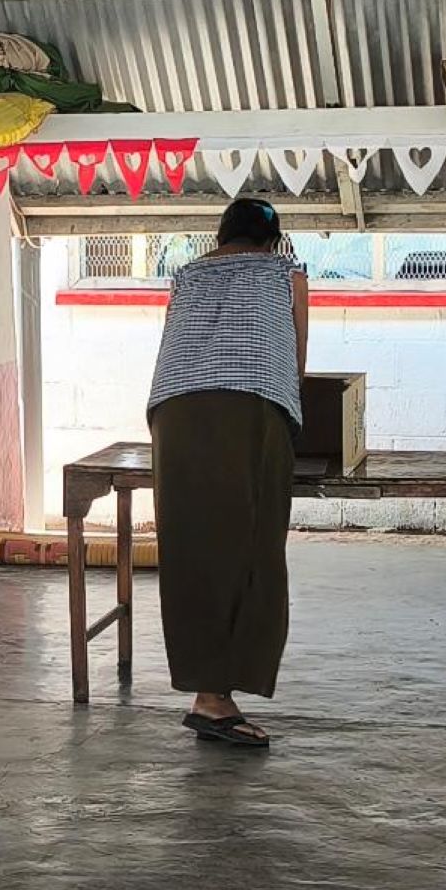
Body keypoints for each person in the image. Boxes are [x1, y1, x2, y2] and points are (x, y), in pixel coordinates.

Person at [146, 199, 308, 747]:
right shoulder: (286, 273)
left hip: (174, 408)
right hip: (250, 403)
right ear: (272, 241)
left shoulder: (186, 275)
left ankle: (208, 694)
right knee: (253, 548)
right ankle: (215, 699)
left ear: (220, 236)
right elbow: (295, 355)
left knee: (191, 548)